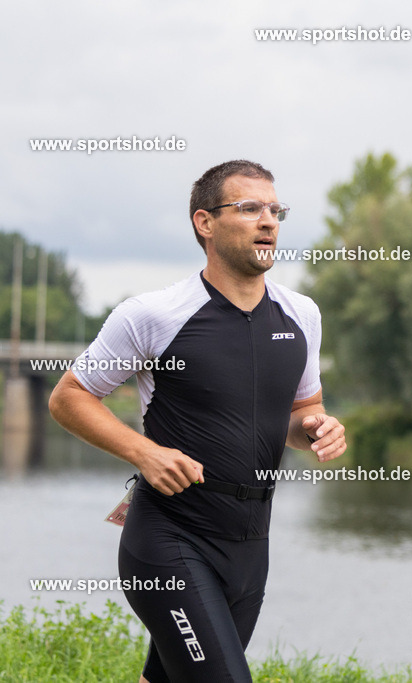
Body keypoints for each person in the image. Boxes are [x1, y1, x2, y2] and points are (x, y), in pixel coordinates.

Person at [49, 160, 347, 683]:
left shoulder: (302, 315)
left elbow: (301, 414)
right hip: (170, 537)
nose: (269, 221)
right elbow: (69, 397)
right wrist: (144, 452)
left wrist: (319, 429)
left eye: (276, 210)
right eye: (250, 208)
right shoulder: (153, 314)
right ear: (204, 223)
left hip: (252, 542)